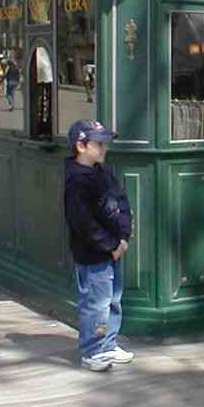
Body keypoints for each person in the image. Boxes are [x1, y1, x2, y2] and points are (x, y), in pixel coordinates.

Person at [64, 119, 136, 372]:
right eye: (98, 144)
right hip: (94, 254)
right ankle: (93, 351)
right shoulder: (76, 181)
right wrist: (111, 245)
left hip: (113, 249)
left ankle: (108, 343)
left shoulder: (103, 172)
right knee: (96, 304)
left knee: (113, 299)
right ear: (81, 146)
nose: (104, 148)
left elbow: (121, 201)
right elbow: (82, 223)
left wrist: (124, 236)